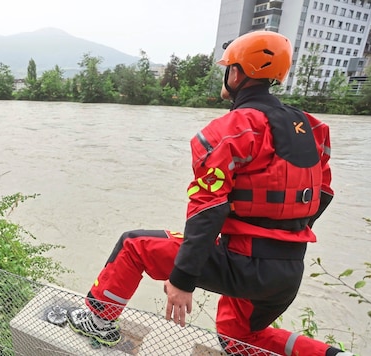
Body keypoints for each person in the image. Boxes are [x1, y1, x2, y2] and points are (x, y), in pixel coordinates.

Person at [67, 31, 348, 356]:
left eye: (228, 68)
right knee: (239, 337)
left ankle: (99, 323)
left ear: (238, 73)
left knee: (135, 246)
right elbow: (322, 194)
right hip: (288, 271)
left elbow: (207, 209)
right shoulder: (313, 128)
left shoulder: (232, 129)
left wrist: (183, 280)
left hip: (244, 263)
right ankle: (332, 355)